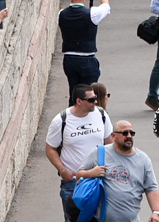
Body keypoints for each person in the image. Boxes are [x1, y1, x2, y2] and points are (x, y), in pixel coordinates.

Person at [44, 85, 111, 222]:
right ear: (79, 101)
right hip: (73, 182)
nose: (96, 102)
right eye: (91, 99)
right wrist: (63, 170)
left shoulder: (101, 114)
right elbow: (50, 148)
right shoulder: (61, 120)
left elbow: (109, 143)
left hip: (98, 180)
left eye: (96, 98)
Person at [97, 119, 159, 222]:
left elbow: (151, 187)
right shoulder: (100, 153)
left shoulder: (143, 159)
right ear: (113, 136)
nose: (129, 136)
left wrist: (156, 212)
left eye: (131, 133)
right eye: (124, 133)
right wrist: (90, 173)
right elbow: (79, 175)